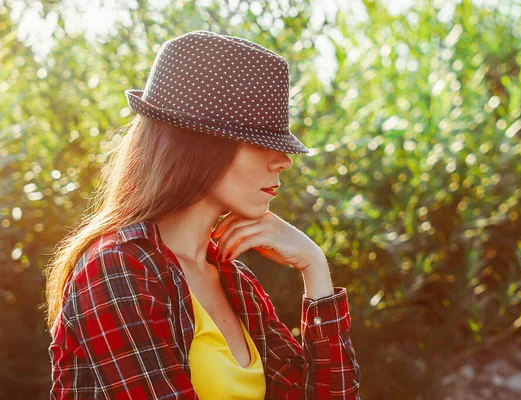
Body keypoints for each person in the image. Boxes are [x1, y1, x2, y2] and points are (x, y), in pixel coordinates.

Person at [44, 30, 361, 399]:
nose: (284, 162)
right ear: (197, 144)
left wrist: (315, 268)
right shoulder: (116, 268)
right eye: (258, 141)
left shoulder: (234, 279)